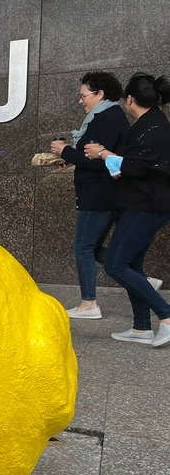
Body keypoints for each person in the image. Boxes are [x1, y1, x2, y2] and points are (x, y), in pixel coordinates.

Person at [84, 73, 170, 347]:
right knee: (131, 264)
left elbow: (137, 166)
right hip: (143, 202)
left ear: (129, 100)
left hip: (146, 206)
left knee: (115, 264)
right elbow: (139, 165)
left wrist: (104, 154)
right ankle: (141, 328)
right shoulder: (152, 122)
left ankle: (166, 317)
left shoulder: (153, 125)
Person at [50, 72, 129, 319]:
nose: (80, 101)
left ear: (100, 94)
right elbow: (95, 158)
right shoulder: (110, 117)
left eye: (84, 95)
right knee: (92, 247)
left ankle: (89, 304)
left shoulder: (105, 118)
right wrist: (71, 161)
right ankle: (139, 278)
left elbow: (95, 160)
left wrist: (64, 150)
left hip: (98, 194)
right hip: (104, 193)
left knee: (83, 247)